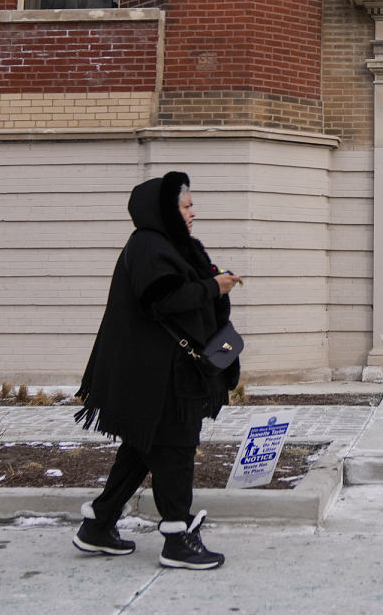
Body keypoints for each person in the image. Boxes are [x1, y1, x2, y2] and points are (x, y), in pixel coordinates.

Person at [71, 171, 242, 569]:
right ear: (165, 209)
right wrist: (212, 288)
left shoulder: (168, 246)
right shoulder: (149, 246)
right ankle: (177, 538)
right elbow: (163, 301)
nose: (193, 212)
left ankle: (98, 525)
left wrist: (214, 282)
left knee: (143, 450)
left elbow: (183, 294)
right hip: (162, 378)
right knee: (176, 449)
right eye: (186, 205)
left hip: (164, 374)